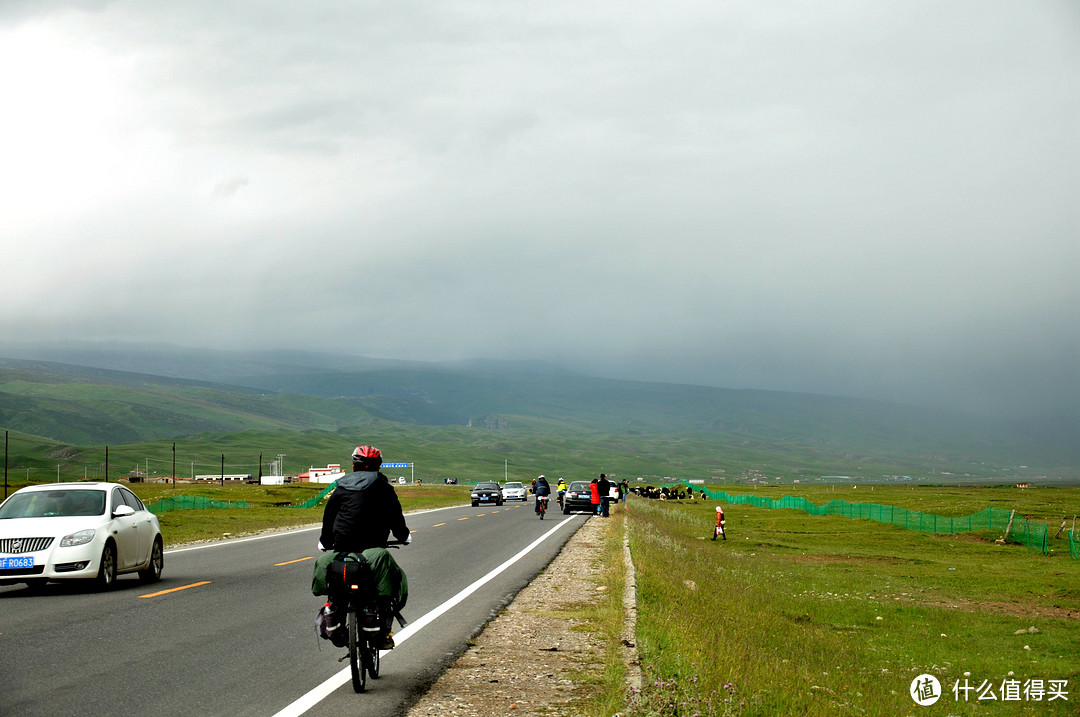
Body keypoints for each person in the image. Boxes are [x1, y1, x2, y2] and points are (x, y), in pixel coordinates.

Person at [319, 445, 411, 649]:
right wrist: (403, 536)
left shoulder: (341, 487)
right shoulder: (384, 487)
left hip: (343, 547)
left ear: (353, 466)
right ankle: (382, 633)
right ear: (378, 466)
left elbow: (329, 517)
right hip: (373, 547)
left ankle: (336, 620)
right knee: (388, 584)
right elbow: (395, 516)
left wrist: (325, 542)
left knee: (336, 586)